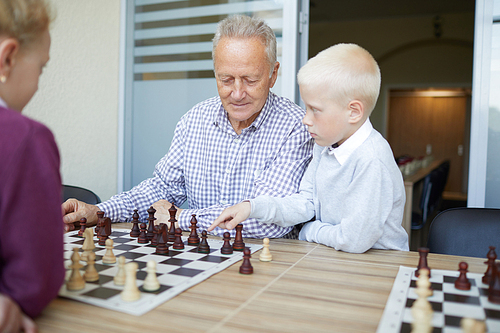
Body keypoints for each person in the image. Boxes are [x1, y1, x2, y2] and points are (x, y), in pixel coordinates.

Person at [62, 15, 313, 238]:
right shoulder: (195, 120)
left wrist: (178, 218)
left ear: (273, 74)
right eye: (226, 79)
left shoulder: (295, 127)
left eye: (250, 80)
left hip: (266, 266)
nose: (237, 93)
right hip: (196, 258)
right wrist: (98, 210)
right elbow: (161, 188)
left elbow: (266, 222)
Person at [209, 43, 409, 253]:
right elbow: (305, 203)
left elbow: (354, 240)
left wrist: (309, 231)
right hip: (338, 258)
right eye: (306, 107)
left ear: (353, 112)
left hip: (378, 266)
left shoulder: (371, 160)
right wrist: (252, 207)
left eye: (315, 110)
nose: (305, 119)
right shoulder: (324, 145)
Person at [0, 0, 65, 331]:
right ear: (8, 57)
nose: (39, 81)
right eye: (42, 66)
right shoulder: (26, 138)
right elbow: (35, 281)